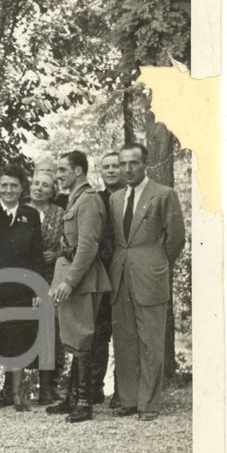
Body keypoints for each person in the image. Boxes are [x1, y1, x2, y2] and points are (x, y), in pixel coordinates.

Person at [107, 142, 186, 421]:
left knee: (151, 341)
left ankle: (149, 404)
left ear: (145, 164)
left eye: (133, 163)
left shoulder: (164, 195)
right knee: (125, 338)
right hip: (120, 276)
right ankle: (129, 399)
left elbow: (176, 239)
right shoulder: (115, 198)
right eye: (122, 164)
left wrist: (156, 264)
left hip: (150, 276)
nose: (127, 169)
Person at [0, 165, 48, 412]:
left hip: (21, 287)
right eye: (4, 185)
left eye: (14, 185)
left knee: (19, 338)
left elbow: (36, 254)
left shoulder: (30, 215)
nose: (8, 190)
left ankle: (15, 393)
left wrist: (38, 289)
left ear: (22, 187)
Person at [45, 154, 113, 423]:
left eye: (62, 170)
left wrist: (68, 281)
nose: (58, 175)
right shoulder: (76, 199)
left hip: (83, 281)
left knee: (82, 338)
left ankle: (84, 402)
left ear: (78, 170)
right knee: (74, 338)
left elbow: (87, 247)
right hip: (73, 277)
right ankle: (73, 398)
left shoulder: (89, 201)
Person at [27, 168, 66, 404]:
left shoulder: (60, 213)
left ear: (53, 191)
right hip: (23, 275)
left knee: (50, 330)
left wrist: (58, 253)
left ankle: (48, 386)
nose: (39, 188)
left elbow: (70, 241)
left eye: (45, 185)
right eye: (36, 183)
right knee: (21, 328)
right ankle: (11, 387)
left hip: (50, 276)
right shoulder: (21, 211)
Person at [93, 151, 126, 407]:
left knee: (125, 333)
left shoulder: (131, 196)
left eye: (116, 166)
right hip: (102, 275)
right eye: (107, 167)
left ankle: (123, 391)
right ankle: (95, 388)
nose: (112, 170)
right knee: (99, 332)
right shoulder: (97, 199)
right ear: (100, 170)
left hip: (127, 273)